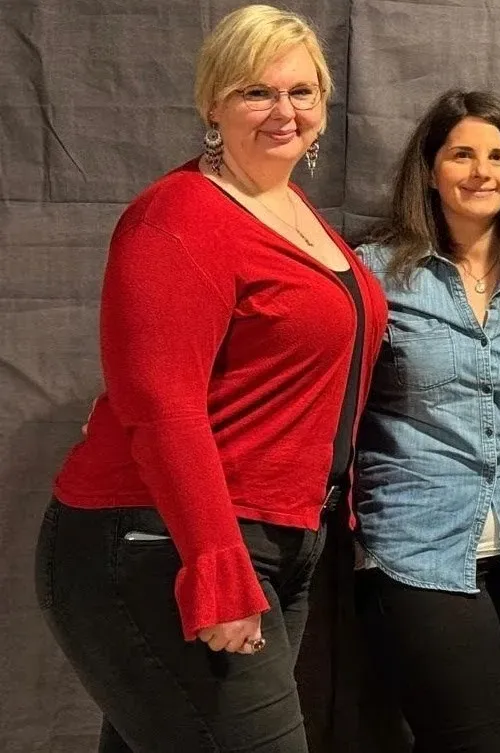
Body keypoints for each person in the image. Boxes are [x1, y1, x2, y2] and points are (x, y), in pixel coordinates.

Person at [33, 5, 387, 751]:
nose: (283, 111)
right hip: (165, 540)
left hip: (276, 538)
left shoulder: (293, 212)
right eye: (255, 92)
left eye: (302, 92)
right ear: (212, 104)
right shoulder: (178, 217)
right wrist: (217, 564)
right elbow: (161, 407)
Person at [351, 88, 500, 753]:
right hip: (416, 551)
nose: (482, 171)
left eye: (498, 156)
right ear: (430, 169)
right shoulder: (377, 274)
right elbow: (344, 410)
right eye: (461, 154)